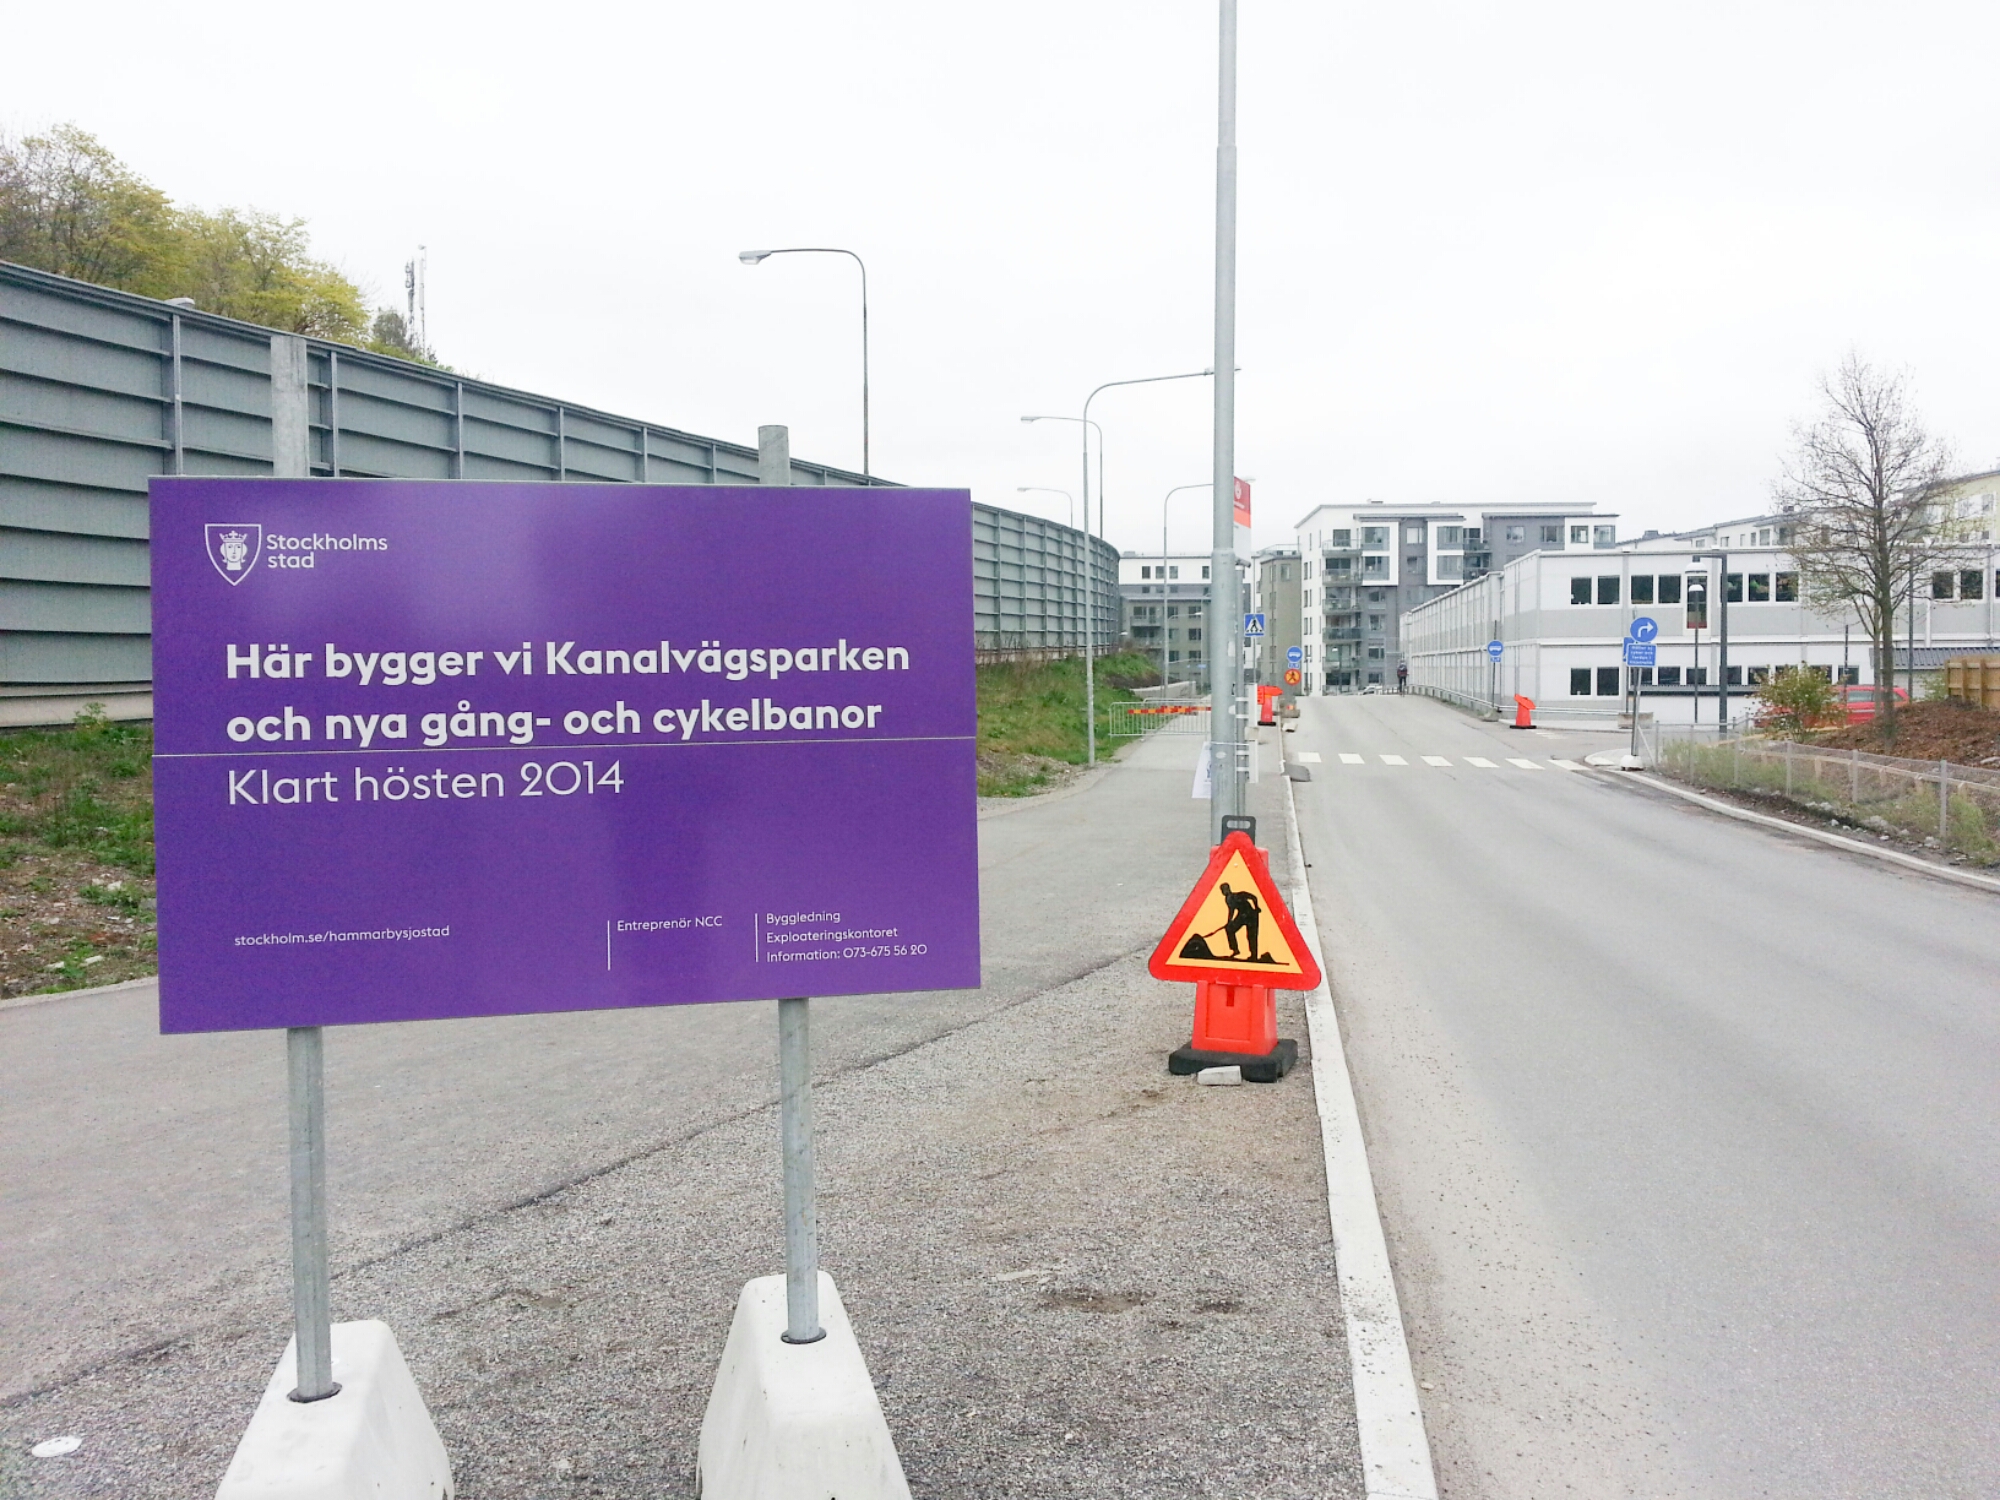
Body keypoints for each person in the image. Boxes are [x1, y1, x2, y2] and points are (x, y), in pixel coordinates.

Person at [1219, 882, 1261, 959]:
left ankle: (1254, 956)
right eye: (1222, 890)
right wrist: (1229, 922)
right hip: (1242, 916)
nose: (1223, 892)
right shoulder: (1228, 899)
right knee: (1229, 929)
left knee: (1251, 936)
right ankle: (1235, 949)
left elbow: (1254, 897)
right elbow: (1231, 910)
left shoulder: (1240, 894)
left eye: (1223, 890)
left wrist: (1257, 907)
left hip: (1251, 916)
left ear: (1228, 889)